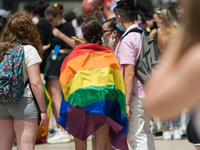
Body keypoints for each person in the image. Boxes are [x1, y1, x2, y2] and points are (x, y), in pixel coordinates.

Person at [57, 17, 128, 150]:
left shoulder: (74, 55)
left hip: (79, 101)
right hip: (103, 103)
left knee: (80, 146)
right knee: (101, 146)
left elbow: (65, 81)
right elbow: (118, 82)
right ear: (101, 34)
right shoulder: (109, 54)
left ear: (83, 35)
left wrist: (69, 102)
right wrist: (120, 106)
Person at [145, 0, 200, 149]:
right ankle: (176, 128)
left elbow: (156, 101)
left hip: (167, 63)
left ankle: (168, 130)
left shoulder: (156, 32)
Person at [0, 12, 48, 150]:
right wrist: (43, 111)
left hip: (2, 100)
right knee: (25, 146)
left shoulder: (2, 48)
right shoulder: (29, 50)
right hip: (24, 102)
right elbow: (35, 83)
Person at [114, 0, 155, 149]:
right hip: (147, 90)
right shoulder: (142, 33)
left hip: (135, 95)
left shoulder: (127, 39)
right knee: (145, 132)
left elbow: (129, 74)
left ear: (119, 17)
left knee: (136, 136)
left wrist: (126, 102)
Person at [44, 3, 76, 144]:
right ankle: (59, 128)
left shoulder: (67, 27)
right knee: (53, 96)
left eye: (51, 20)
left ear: (58, 16)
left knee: (58, 97)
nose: (50, 23)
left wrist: (61, 35)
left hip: (61, 62)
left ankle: (63, 130)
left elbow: (75, 44)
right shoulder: (54, 27)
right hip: (53, 62)